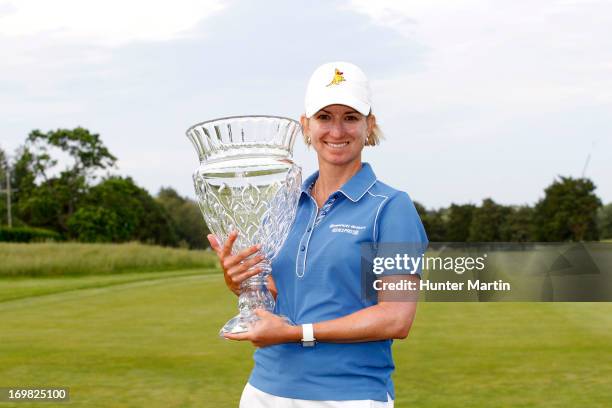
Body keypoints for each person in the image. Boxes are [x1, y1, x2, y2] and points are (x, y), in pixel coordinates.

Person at [208, 61, 428, 407]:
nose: (337, 131)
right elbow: (274, 293)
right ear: (305, 126)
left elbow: (396, 318)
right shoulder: (283, 204)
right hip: (265, 390)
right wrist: (239, 282)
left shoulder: (392, 207)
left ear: (369, 125)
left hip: (348, 396)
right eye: (324, 117)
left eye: (350, 118)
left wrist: (297, 334)